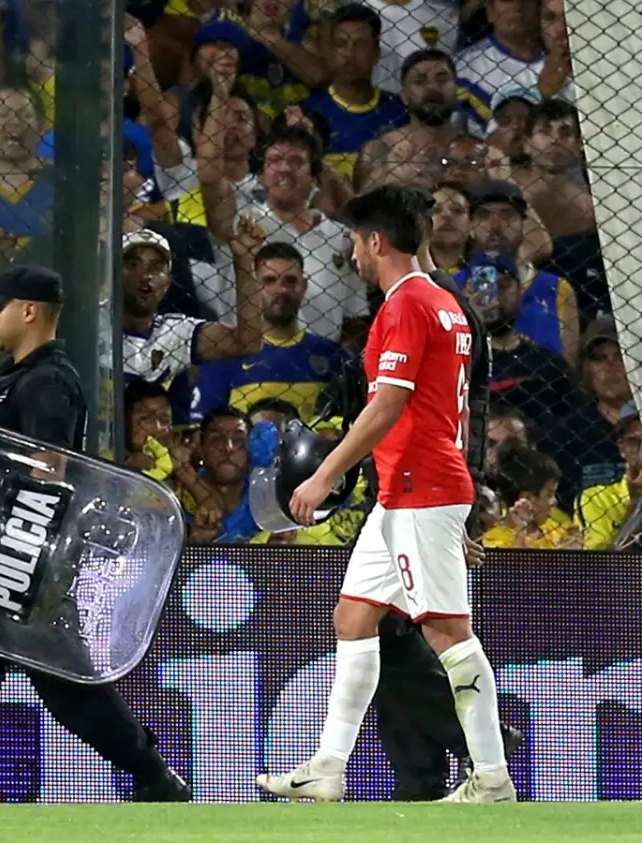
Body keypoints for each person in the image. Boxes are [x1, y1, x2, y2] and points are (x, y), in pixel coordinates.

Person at [255, 185, 516, 803]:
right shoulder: (449, 306)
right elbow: (455, 414)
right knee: (354, 614)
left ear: (375, 241)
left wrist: (325, 475)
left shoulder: (403, 305)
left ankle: (492, 777)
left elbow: (389, 404)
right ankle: (327, 767)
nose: (352, 254)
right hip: (415, 487)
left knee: (449, 632)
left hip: (417, 485)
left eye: (353, 241)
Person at [0, 265, 191, 804]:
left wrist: (17, 559)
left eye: (0, 307)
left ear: (30, 311)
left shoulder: (46, 381)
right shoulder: (24, 377)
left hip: (21, 551)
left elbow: (47, 472)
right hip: (7, 550)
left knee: (41, 679)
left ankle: (154, 776)